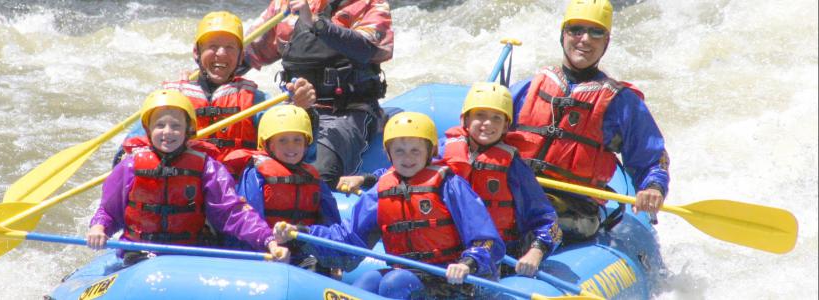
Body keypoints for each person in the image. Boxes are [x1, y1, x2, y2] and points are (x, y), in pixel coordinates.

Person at [275, 112, 505, 299]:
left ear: (431, 152)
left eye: (415, 150)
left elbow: (485, 238)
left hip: (455, 279)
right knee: (367, 282)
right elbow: (347, 240)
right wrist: (302, 233)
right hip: (409, 273)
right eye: (399, 151)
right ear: (388, 153)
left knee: (396, 283)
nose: (407, 158)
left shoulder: (450, 185)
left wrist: (468, 263)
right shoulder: (381, 191)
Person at [503, 0, 670, 243]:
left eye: (596, 32)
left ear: (606, 42)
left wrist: (653, 187)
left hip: (574, 207)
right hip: (517, 191)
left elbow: (653, 160)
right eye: (576, 30)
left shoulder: (621, 103)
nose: (585, 39)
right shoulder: (528, 88)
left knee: (533, 221)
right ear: (563, 35)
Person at [86, 89, 289, 265]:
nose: (168, 132)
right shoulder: (129, 166)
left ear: (188, 130)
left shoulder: (207, 168)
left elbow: (232, 211)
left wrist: (268, 239)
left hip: (189, 252)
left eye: (176, 126)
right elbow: (108, 211)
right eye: (160, 125)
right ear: (148, 129)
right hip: (138, 252)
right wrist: (99, 226)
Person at [114, 11, 316, 165]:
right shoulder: (173, 97)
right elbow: (127, 153)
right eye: (212, 47)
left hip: (236, 197)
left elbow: (299, 149)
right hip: (187, 194)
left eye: (230, 48)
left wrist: (301, 109)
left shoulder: (256, 100)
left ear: (240, 55)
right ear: (196, 52)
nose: (221, 53)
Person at [244, 0, 394, 189]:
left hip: (346, 112)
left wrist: (316, 23)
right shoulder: (286, 5)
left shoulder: (370, 5)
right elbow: (248, 52)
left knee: (318, 176)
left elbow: (367, 48)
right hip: (295, 107)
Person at [440, 82, 561, 277]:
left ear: (506, 125)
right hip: (448, 252)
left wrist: (536, 251)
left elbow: (548, 221)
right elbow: (405, 168)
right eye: (480, 115)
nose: (487, 124)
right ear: (465, 119)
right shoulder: (442, 151)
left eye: (496, 118)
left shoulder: (513, 167)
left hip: (495, 256)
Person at [225, 105, 342, 274]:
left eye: (297, 140)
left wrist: (333, 258)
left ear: (306, 144)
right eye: (282, 140)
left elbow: (331, 221)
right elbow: (247, 218)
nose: (291, 147)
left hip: (303, 253)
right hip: (266, 251)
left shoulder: (313, 178)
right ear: (268, 144)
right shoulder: (256, 175)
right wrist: (267, 248)